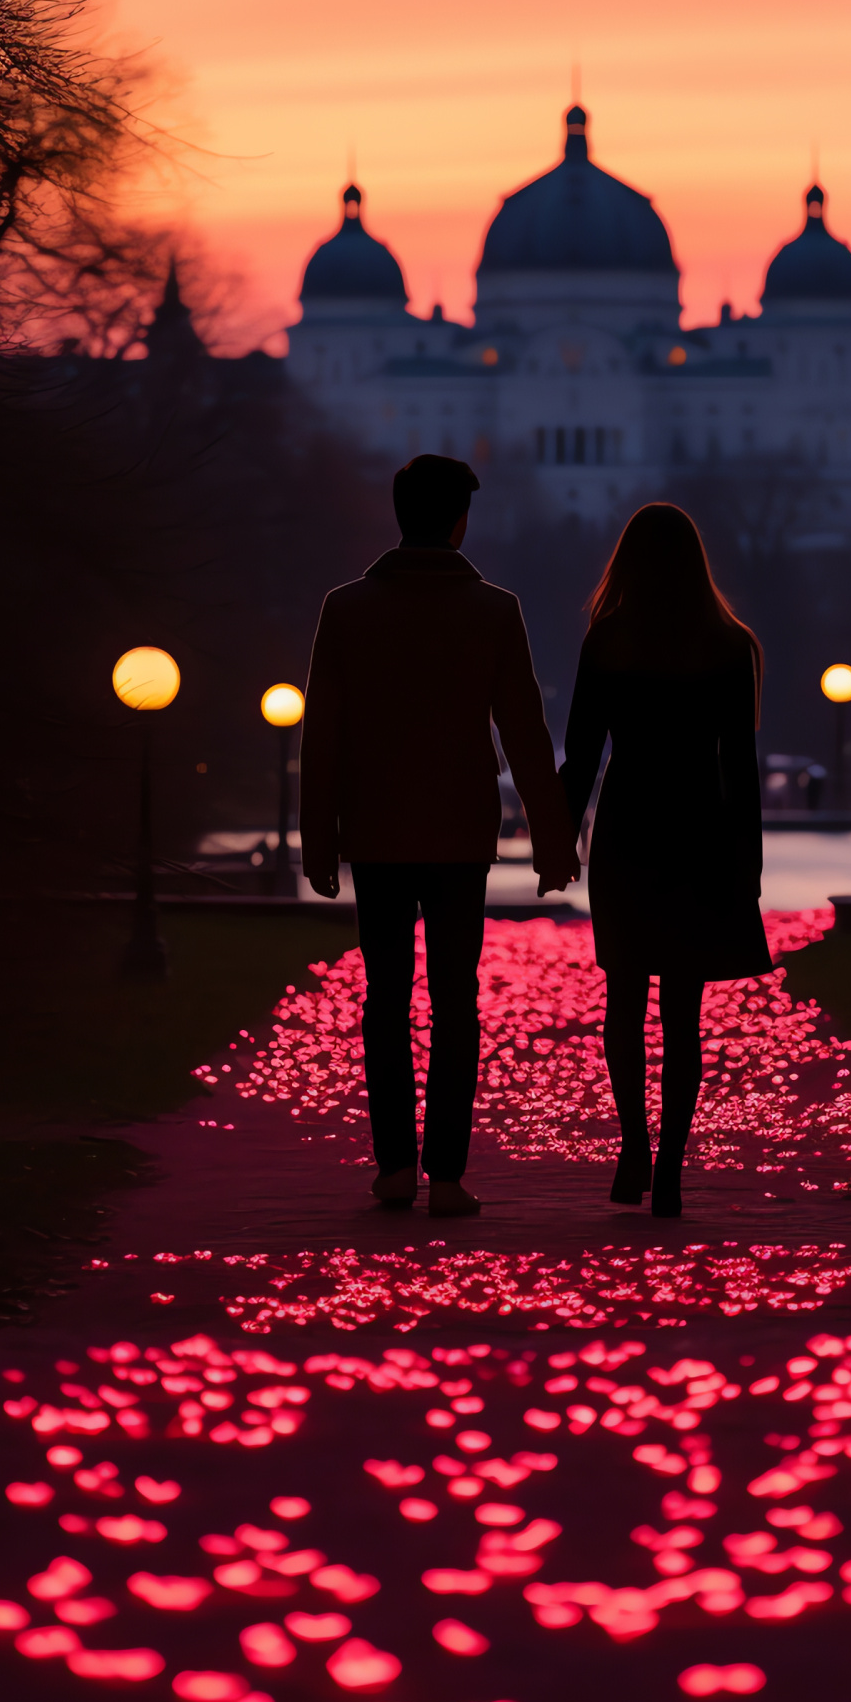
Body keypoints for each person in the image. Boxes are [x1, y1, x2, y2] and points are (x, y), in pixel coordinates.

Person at [299, 454, 579, 1217]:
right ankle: (448, 1174)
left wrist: (317, 841)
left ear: (400, 515)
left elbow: (322, 730)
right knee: (456, 1002)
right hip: (459, 828)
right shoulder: (493, 609)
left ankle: (394, 1166)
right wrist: (553, 842)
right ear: (460, 520)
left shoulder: (346, 608)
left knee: (384, 1000)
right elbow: (525, 730)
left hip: (377, 824)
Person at [560, 504, 771, 1218]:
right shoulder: (729, 645)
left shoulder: (608, 641)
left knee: (624, 999)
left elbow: (583, 755)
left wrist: (557, 840)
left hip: (629, 826)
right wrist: (750, 861)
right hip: (700, 828)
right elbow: (741, 767)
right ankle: (674, 1168)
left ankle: (633, 1148)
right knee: (684, 1010)